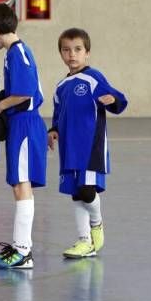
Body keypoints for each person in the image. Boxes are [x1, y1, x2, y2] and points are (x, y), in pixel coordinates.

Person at [47, 28, 127, 259]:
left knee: (87, 190)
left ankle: (96, 223)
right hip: (68, 149)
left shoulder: (94, 78)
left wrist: (114, 100)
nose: (72, 54)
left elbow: (119, 100)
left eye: (77, 49)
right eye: (66, 50)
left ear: (87, 53)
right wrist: (53, 130)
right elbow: (58, 113)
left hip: (90, 147)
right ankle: (84, 241)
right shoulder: (61, 86)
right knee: (75, 193)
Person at [0, 3, 47, 269]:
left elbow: (25, 92)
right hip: (22, 123)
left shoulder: (16, 53)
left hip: (25, 124)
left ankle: (22, 251)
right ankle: (21, 248)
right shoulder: (17, 51)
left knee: (22, 185)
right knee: (19, 185)